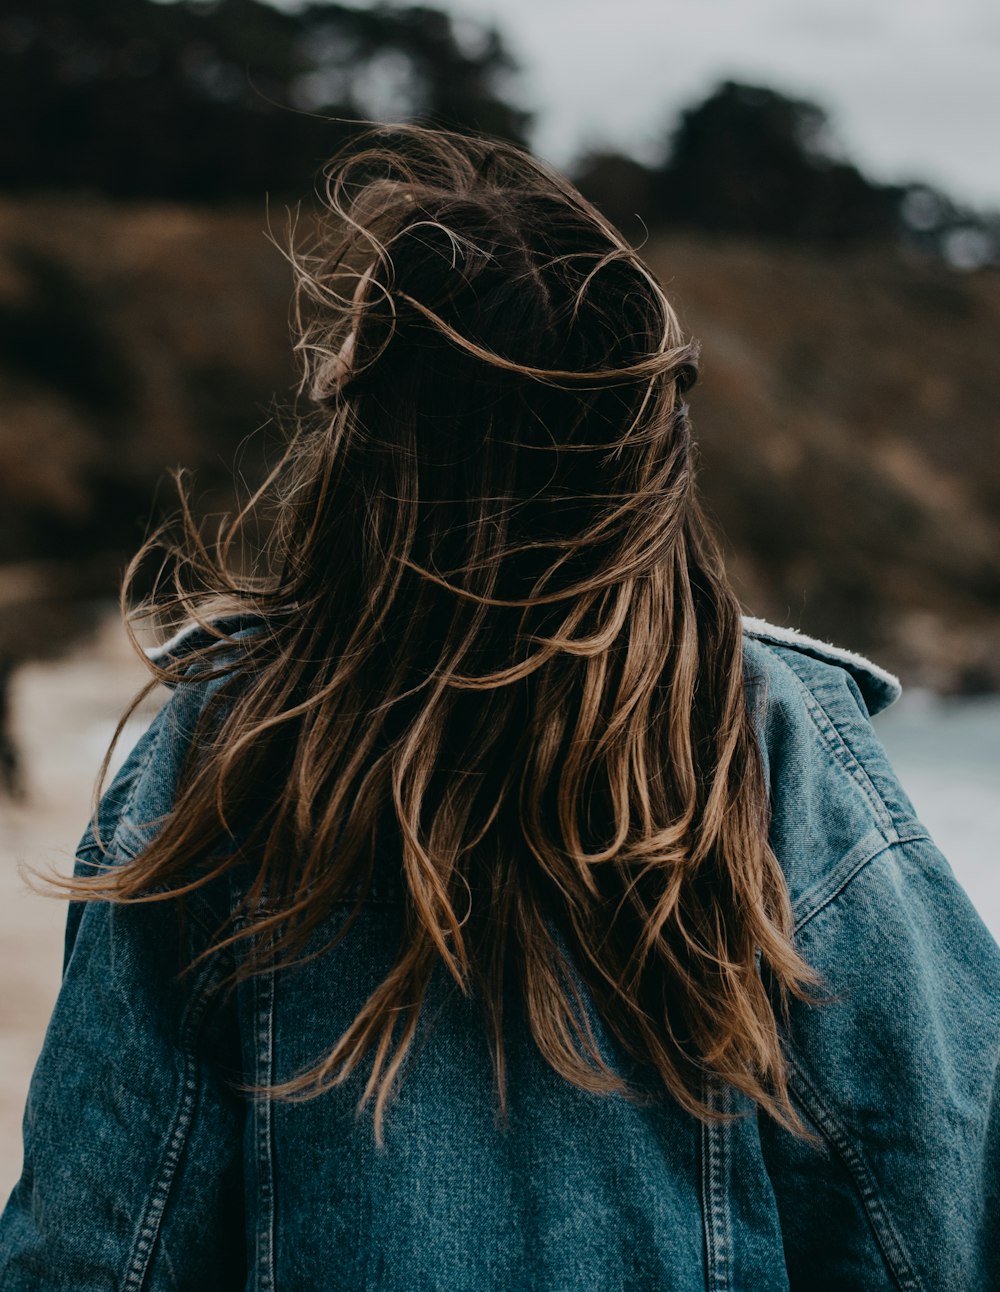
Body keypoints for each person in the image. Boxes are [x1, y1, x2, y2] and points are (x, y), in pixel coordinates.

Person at [1, 127, 997, 1291]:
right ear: (650, 458)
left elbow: (97, 1245)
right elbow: (933, 1202)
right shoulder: (764, 739)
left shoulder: (229, 746)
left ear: (365, 442)